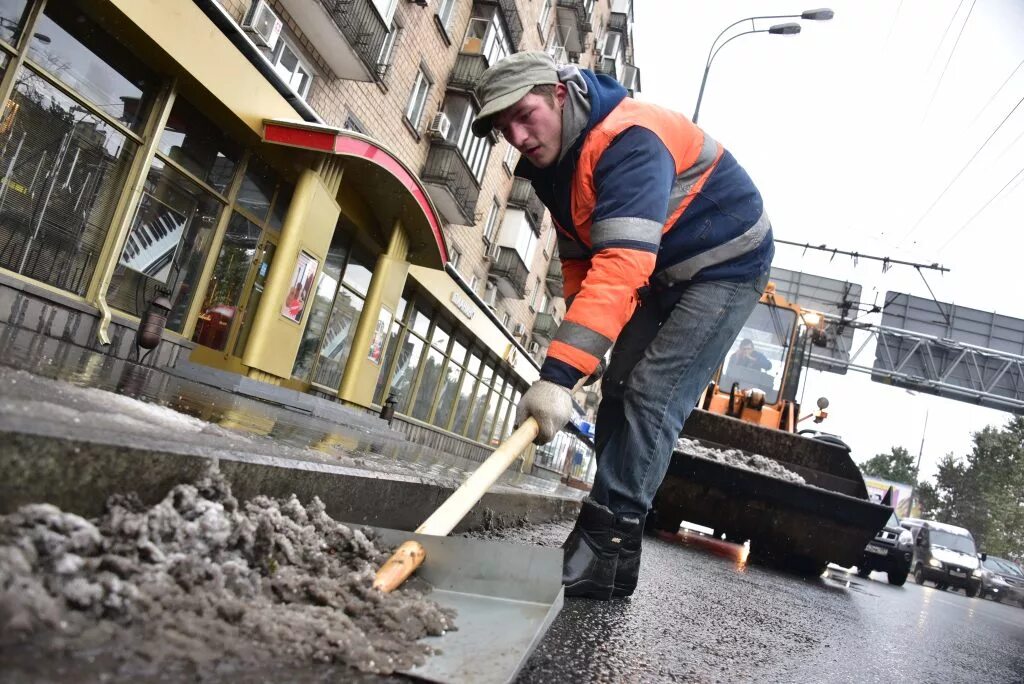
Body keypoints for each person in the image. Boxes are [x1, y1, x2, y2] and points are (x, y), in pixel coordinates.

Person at [472, 52, 773, 600]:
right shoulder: (552, 168)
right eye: (502, 128)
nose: (516, 135)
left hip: (727, 262)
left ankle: (600, 540)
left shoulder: (629, 140)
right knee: (619, 387)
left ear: (559, 94)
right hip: (662, 271)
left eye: (523, 114)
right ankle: (616, 560)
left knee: (652, 393)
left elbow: (621, 266)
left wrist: (559, 373)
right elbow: (581, 265)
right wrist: (583, 354)